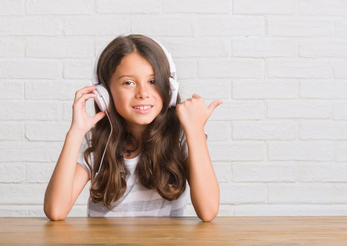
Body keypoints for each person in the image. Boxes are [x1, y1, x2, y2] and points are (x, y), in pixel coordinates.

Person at [43, 34, 222, 222]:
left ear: (170, 88)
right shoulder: (95, 141)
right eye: (128, 83)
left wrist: (195, 130)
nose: (143, 94)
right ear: (104, 94)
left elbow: (208, 211)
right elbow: (56, 210)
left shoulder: (181, 137)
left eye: (152, 81)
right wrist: (76, 132)